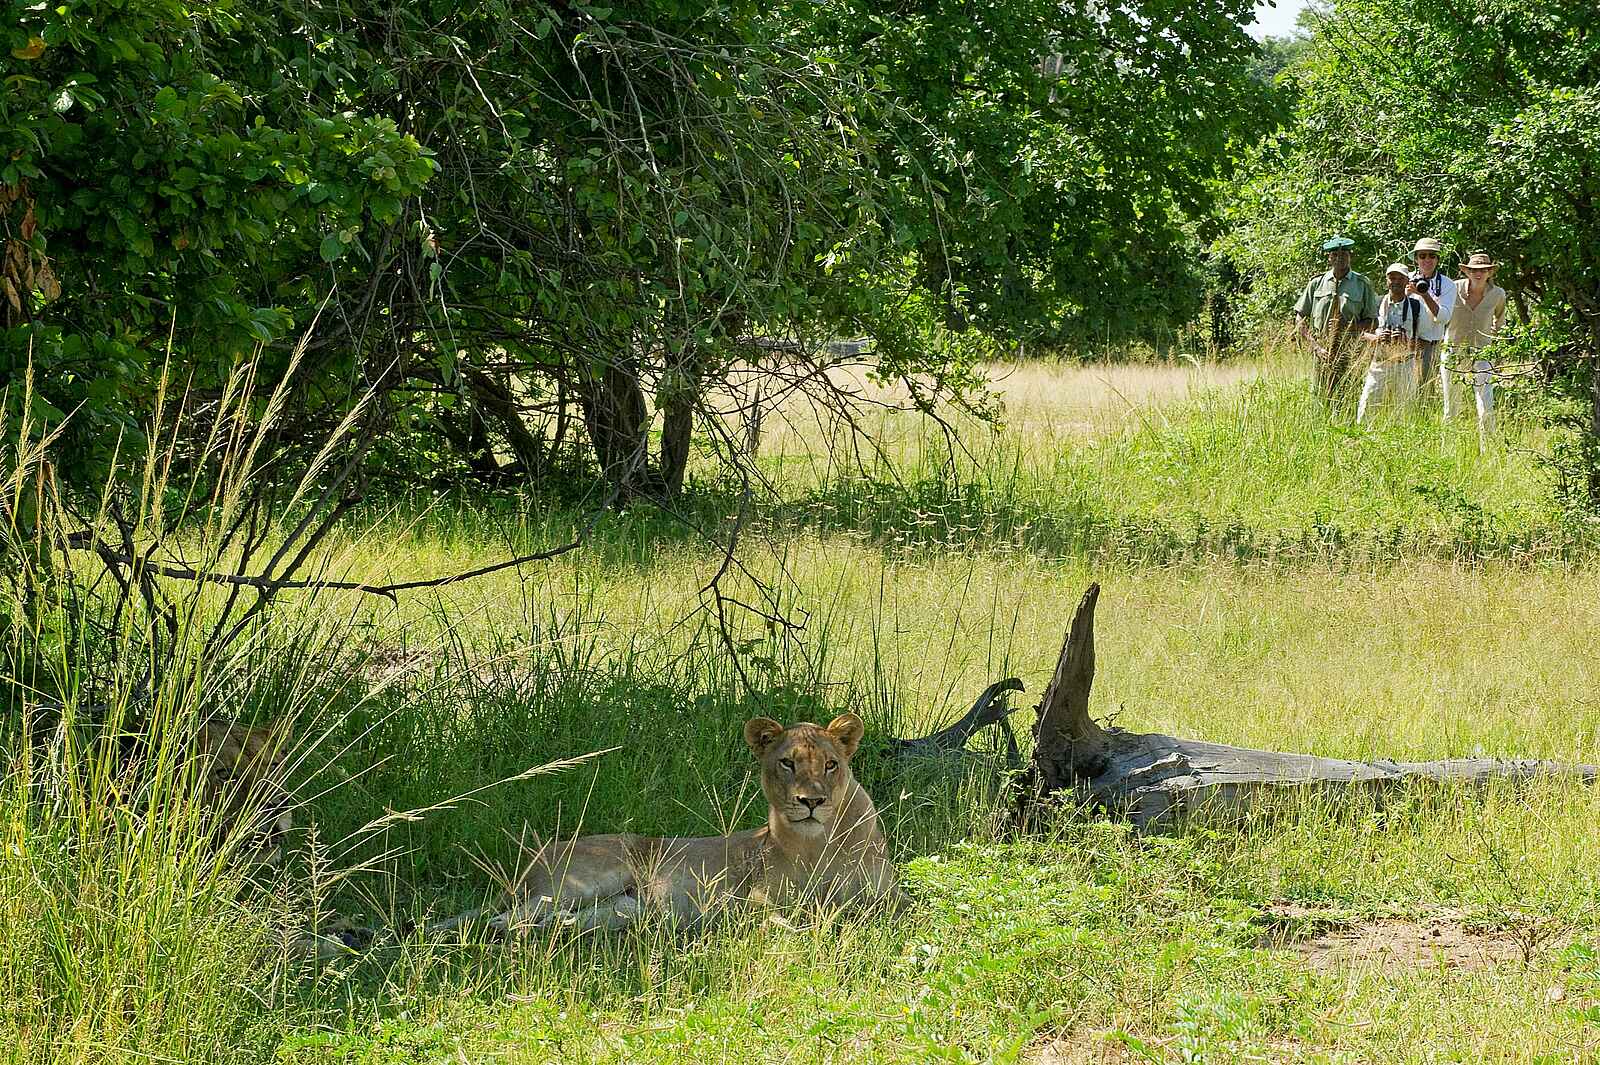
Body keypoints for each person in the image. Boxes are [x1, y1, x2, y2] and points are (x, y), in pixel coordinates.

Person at [1295, 236, 1379, 395]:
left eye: (1344, 254)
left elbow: (1373, 322)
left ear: (1350, 256)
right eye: (1335, 254)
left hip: (1351, 352)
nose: (1340, 258)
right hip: (1322, 352)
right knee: (1320, 397)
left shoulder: (1362, 284)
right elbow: (1300, 318)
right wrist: (1316, 347)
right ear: (1329, 258)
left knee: (1349, 396)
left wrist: (1348, 327)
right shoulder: (1316, 283)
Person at [1442, 250, 1508, 439]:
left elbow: (1501, 322)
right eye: (1474, 270)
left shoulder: (1497, 294)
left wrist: (1496, 347)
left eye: (1484, 270)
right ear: (1467, 272)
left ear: (1490, 272)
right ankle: (1448, 446)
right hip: (1453, 351)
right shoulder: (1453, 289)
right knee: (1451, 404)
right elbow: (1440, 314)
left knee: (1486, 402)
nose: (1478, 274)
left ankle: (1488, 448)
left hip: (1482, 352)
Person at [1356, 263, 1425, 424]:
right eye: (1392, 277)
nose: (1395, 281)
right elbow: (1358, 332)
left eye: (1400, 278)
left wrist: (1406, 342)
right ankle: (1361, 438)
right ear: (1386, 280)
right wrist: (1375, 338)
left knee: (1405, 410)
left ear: (1407, 280)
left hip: (1405, 364)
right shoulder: (1375, 303)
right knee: (1367, 406)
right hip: (1379, 364)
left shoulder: (1416, 306)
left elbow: (1423, 340)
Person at [1407, 237, 1456, 385]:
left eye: (1432, 255)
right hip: (1406, 341)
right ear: (1416, 259)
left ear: (1437, 259)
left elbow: (1443, 318)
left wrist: (1424, 294)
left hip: (1430, 344)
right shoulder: (1406, 279)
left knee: (1424, 388)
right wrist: (1405, 294)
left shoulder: (1447, 284)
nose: (1427, 260)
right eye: (1422, 256)